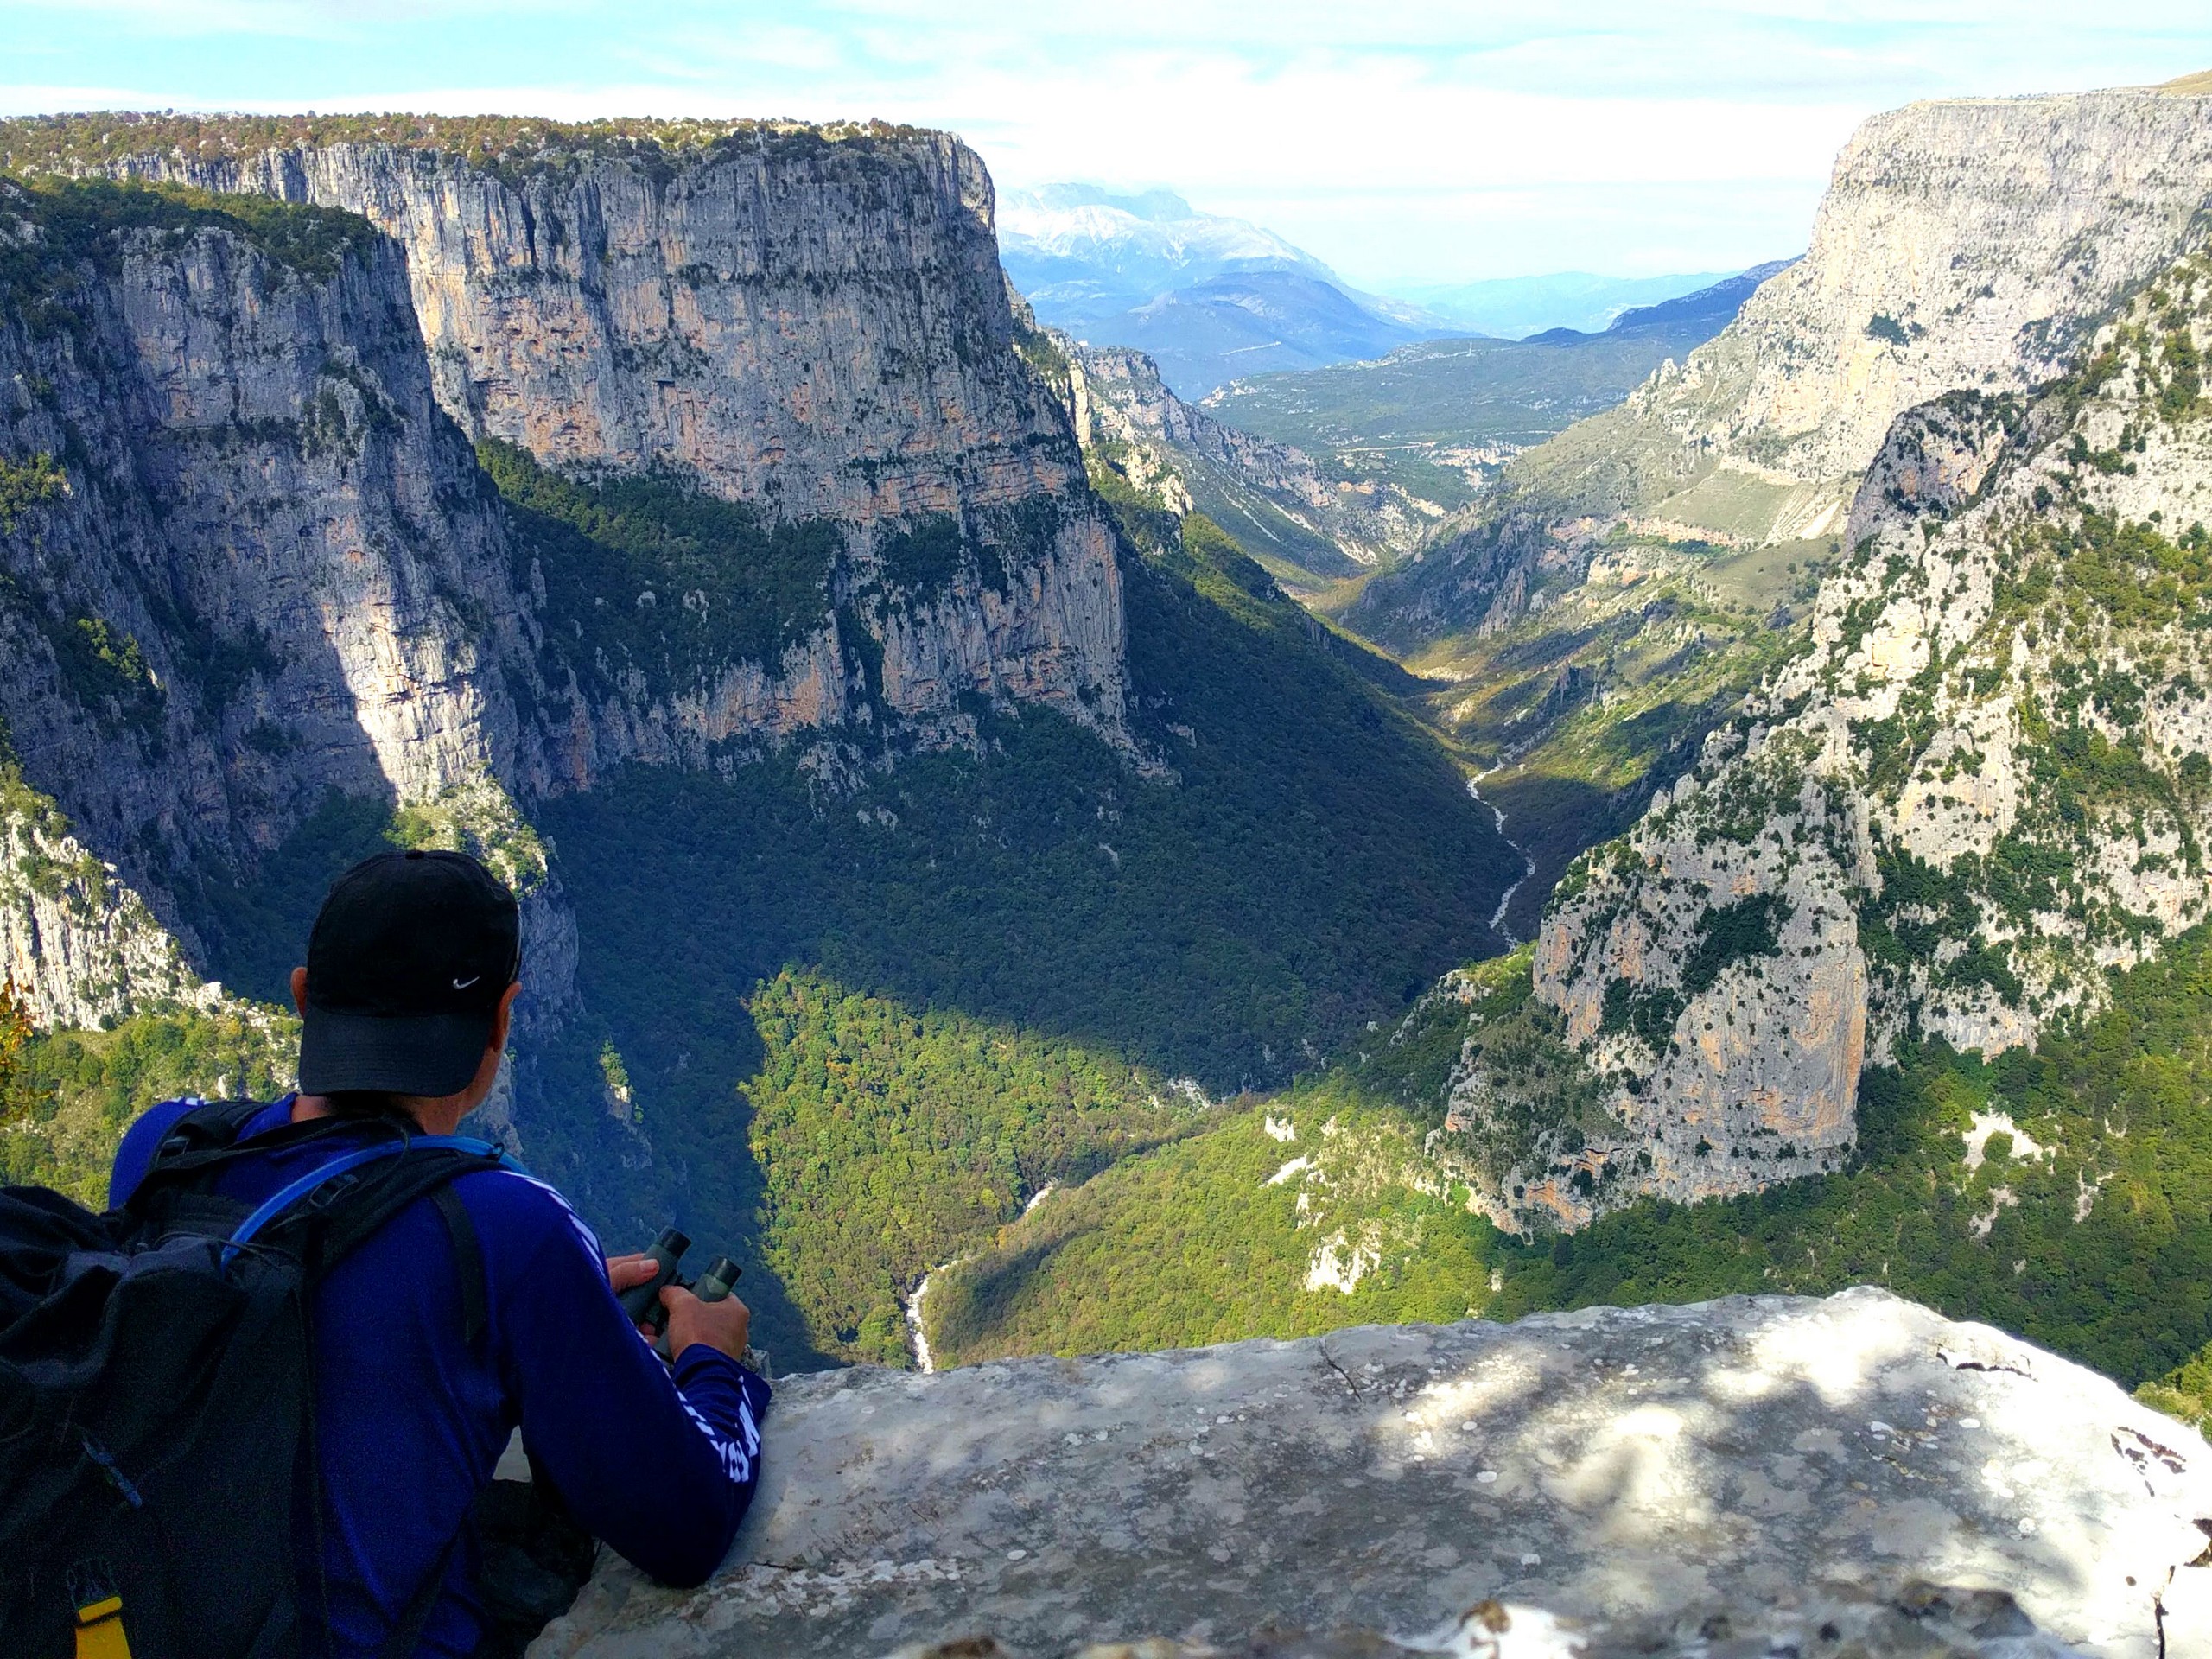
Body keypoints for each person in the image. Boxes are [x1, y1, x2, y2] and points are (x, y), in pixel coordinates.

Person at [106, 848, 770, 1658]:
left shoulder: (162, 1149)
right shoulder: (509, 1227)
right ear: (503, 1017)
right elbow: (688, 1524)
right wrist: (712, 1360)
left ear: (303, 996)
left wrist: (538, 1315)